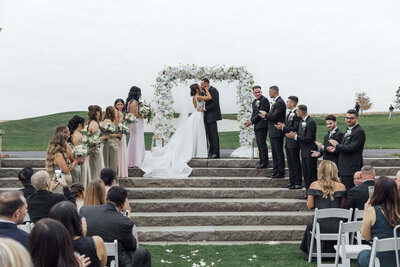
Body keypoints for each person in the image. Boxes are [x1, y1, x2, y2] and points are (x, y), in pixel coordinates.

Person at [140, 83, 209, 178]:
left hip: (197, 114)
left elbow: (198, 106)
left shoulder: (195, 97)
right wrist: (207, 90)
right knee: (197, 133)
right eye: (199, 86)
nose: (201, 87)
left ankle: (196, 151)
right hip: (197, 116)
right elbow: (209, 97)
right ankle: (198, 152)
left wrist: (203, 106)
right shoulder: (199, 96)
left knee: (195, 133)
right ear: (197, 89)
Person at [80, 186, 151, 267]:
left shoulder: (85, 210)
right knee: (144, 253)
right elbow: (132, 246)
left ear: (106, 199)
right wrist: (128, 217)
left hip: (88, 259)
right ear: (123, 205)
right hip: (114, 261)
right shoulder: (125, 221)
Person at [300, 160, 346, 254]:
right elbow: (342, 206)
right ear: (335, 171)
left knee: (312, 220)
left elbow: (310, 206)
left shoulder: (314, 185)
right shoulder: (342, 187)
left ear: (320, 171)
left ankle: (313, 250)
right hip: (338, 225)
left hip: (319, 224)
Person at [357, 176, 400, 267]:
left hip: (380, 261)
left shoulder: (372, 210)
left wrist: (366, 209)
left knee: (362, 255)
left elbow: (366, 236)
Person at [49, 201, 107, 267]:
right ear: (77, 220)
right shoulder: (97, 241)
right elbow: (103, 264)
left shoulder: (51, 248)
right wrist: (82, 236)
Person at [326, 109, 366, 190]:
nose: (348, 120)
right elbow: (344, 146)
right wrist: (335, 149)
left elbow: (351, 148)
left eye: (351, 118)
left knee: (350, 191)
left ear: (357, 118)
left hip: (351, 168)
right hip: (344, 167)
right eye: (347, 117)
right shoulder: (349, 130)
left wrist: (337, 145)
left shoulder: (359, 131)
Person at [286, 105, 318, 199]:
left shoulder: (311, 122)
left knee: (311, 173)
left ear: (302, 111)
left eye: (297, 111)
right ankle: (308, 193)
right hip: (303, 151)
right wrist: (296, 135)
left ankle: (313, 194)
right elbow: (301, 135)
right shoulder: (301, 121)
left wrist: (295, 137)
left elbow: (309, 138)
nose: (296, 113)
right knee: (306, 173)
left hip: (310, 150)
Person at [259, 85, 286, 178]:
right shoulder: (276, 102)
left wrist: (265, 114)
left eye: (270, 92)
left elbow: (274, 116)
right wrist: (266, 117)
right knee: (274, 153)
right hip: (273, 131)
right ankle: (275, 170)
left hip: (277, 131)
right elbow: (273, 116)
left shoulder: (280, 102)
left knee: (278, 152)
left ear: (274, 92)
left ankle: (280, 172)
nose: (269, 93)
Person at [276, 96, 302, 189]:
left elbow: (295, 128)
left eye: (287, 102)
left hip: (294, 142)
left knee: (295, 163)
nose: (286, 103)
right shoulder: (289, 114)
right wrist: (283, 127)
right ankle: (291, 181)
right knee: (290, 163)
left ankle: (298, 182)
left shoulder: (297, 114)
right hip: (288, 141)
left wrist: (283, 128)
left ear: (293, 103)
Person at [244, 85, 270, 169]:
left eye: (259, 92)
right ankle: (261, 161)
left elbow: (260, 114)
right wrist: (250, 121)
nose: (258, 94)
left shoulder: (264, 100)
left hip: (262, 125)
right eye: (256, 92)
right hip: (256, 125)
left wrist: (251, 121)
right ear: (253, 93)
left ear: (261, 91)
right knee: (259, 144)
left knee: (262, 144)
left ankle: (264, 162)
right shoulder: (254, 101)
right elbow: (254, 113)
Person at [200, 78, 222, 159]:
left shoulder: (213, 90)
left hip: (212, 116)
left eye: (202, 84)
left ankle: (216, 153)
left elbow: (215, 103)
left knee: (214, 135)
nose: (201, 86)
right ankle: (211, 152)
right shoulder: (204, 91)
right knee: (209, 136)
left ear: (206, 83)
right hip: (206, 117)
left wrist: (205, 109)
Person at [68, 115, 91, 185]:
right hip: (81, 161)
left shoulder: (79, 132)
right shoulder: (76, 135)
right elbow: (77, 149)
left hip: (85, 159)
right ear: (80, 124)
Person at [126, 86, 145, 168]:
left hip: (138, 123)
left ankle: (137, 160)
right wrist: (143, 114)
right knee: (135, 140)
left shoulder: (133, 101)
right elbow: (133, 114)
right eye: (139, 92)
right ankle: (135, 161)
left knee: (138, 140)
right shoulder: (133, 102)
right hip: (135, 123)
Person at [88, 105, 108, 180]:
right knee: (98, 169)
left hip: (98, 149)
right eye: (100, 112)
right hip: (96, 150)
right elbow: (94, 140)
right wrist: (105, 137)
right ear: (97, 112)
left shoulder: (93, 122)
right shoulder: (94, 124)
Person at [102, 106, 122, 174]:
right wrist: (117, 135)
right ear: (111, 112)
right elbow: (107, 134)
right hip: (109, 144)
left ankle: (114, 179)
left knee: (114, 163)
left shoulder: (114, 121)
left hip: (114, 144)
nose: (117, 112)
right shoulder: (107, 121)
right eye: (115, 111)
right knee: (109, 162)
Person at [114, 99, 129, 178]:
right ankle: (119, 172)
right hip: (119, 132)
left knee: (123, 151)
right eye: (118, 104)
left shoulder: (121, 113)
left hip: (122, 132)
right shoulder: (116, 113)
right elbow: (116, 123)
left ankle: (122, 172)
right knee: (120, 151)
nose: (120, 106)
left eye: (121, 104)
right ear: (115, 105)